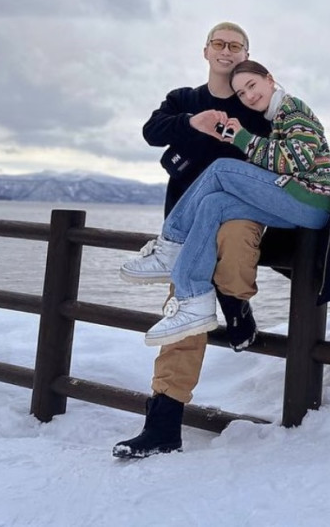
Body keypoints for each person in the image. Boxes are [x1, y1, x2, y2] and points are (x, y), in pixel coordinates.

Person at [113, 23, 271, 458]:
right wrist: (191, 123)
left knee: (238, 239)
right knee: (183, 318)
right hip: (184, 230)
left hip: (240, 216)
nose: (226, 50)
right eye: (219, 43)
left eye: (235, 45)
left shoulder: (258, 105)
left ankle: (238, 306)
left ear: (246, 54)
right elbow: (152, 132)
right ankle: (163, 425)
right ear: (206, 51)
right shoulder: (183, 100)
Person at [119, 60, 330, 346]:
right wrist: (241, 137)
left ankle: (170, 244)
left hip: (311, 201)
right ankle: (194, 299)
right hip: (291, 201)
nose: (249, 96)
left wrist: (244, 139)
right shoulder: (274, 116)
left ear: (270, 79)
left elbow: (297, 159)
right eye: (242, 93)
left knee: (221, 168)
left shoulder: (293, 108)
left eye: (252, 86)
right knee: (214, 204)